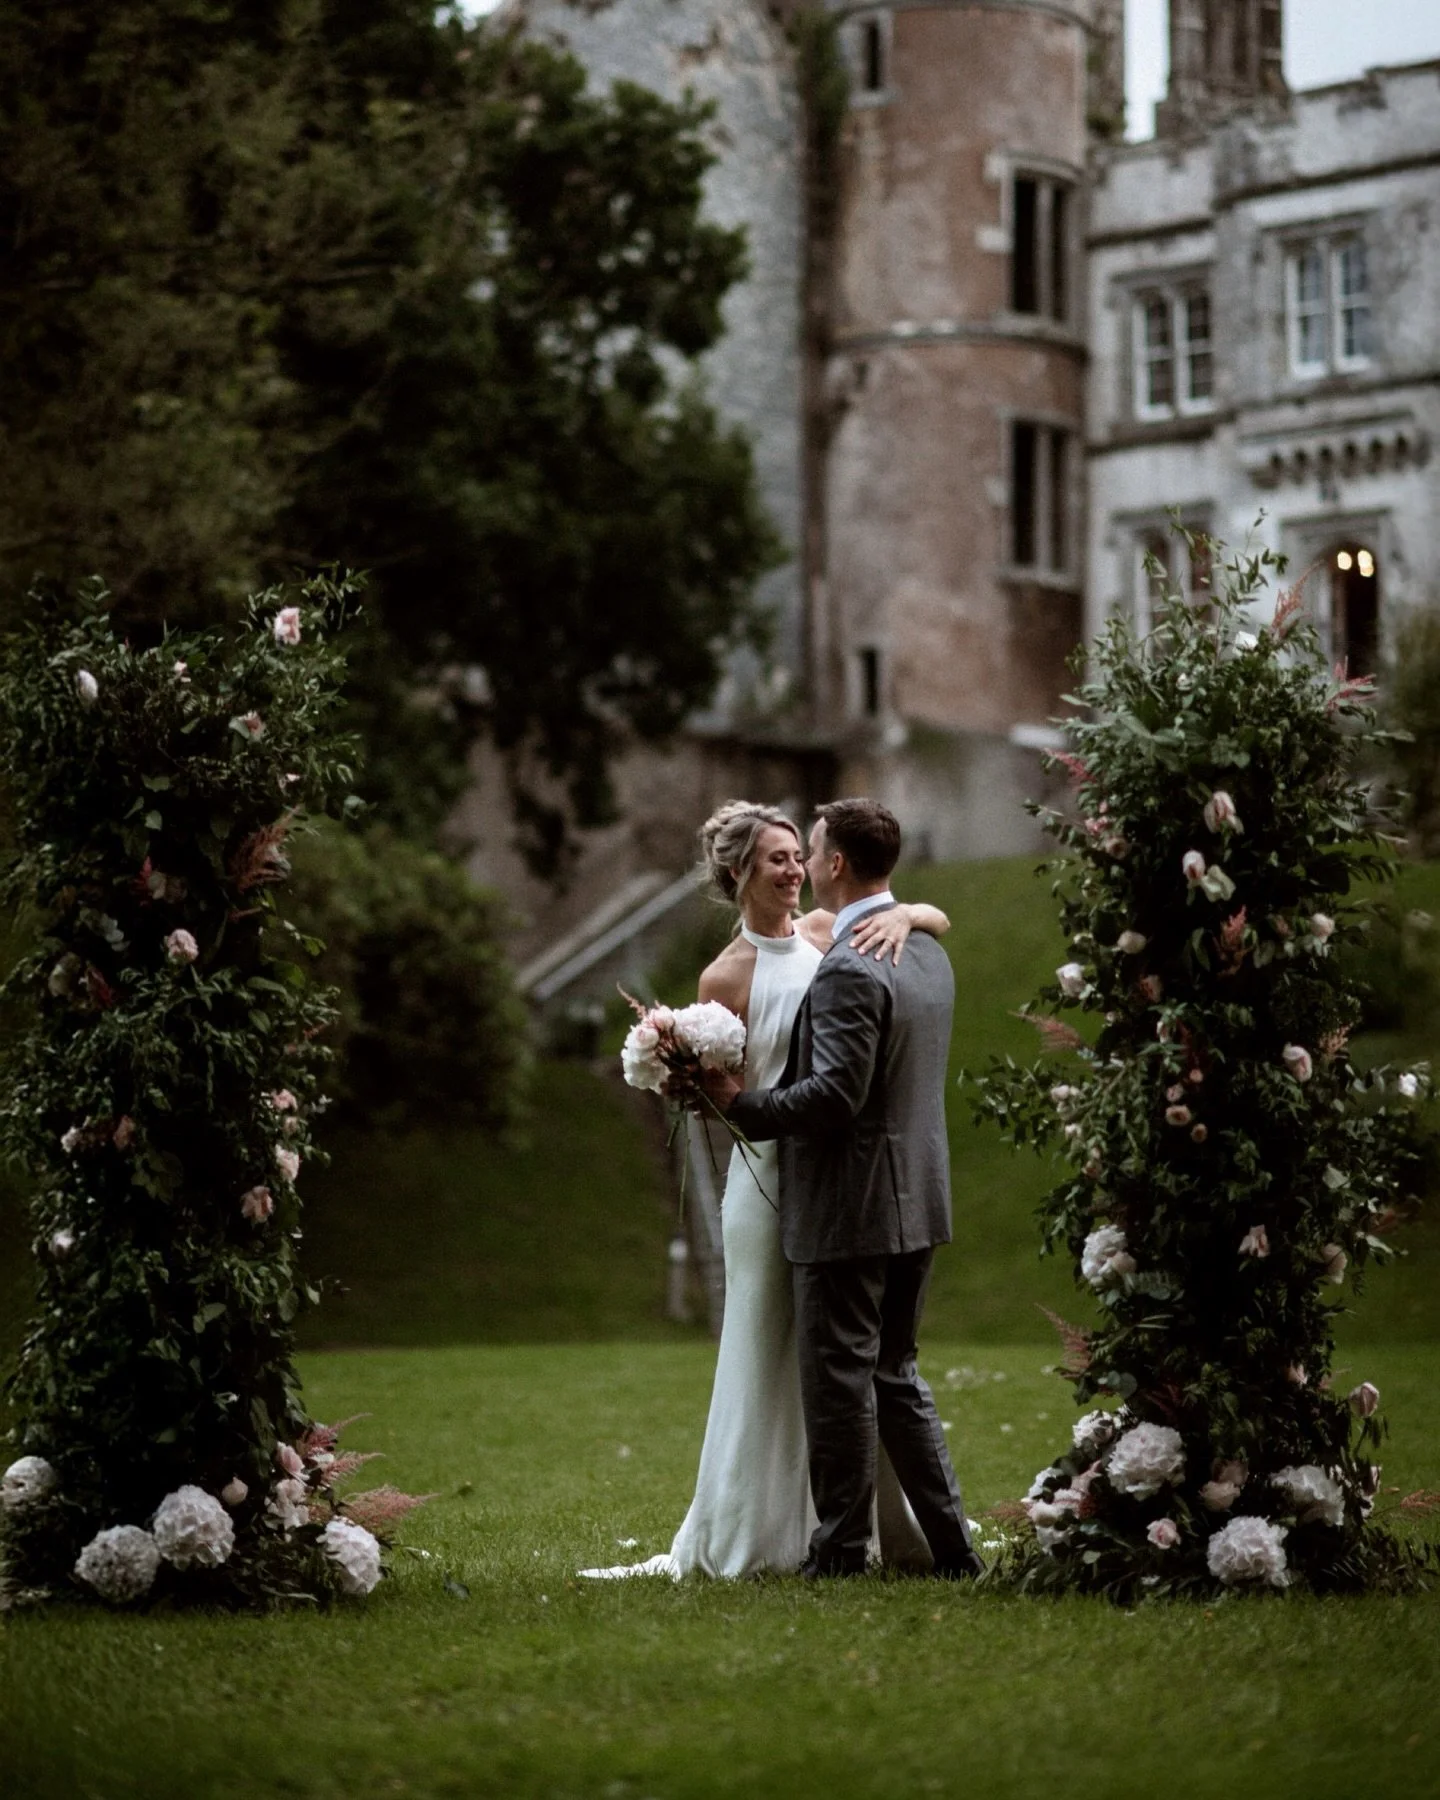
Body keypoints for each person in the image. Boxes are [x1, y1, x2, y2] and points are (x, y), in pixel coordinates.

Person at [579, 800, 950, 1580]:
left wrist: (909, 913)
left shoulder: (829, 933)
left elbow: (906, 911)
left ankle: (856, 1528)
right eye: (776, 859)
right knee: (774, 1354)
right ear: (740, 873)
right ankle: (759, 1527)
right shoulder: (724, 974)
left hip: (836, 1171)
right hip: (770, 1174)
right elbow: (726, 1091)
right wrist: (693, 1084)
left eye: (797, 854)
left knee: (839, 1361)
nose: (792, 870)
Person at [705, 798, 982, 1580]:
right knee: (897, 1374)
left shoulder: (849, 965)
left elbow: (833, 1097)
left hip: (849, 1206)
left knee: (838, 1382)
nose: (800, 864)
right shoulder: (925, 949)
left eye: (811, 849)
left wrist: (741, 1105)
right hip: (919, 1197)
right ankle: (954, 1549)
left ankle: (838, 1552)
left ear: (832, 864)